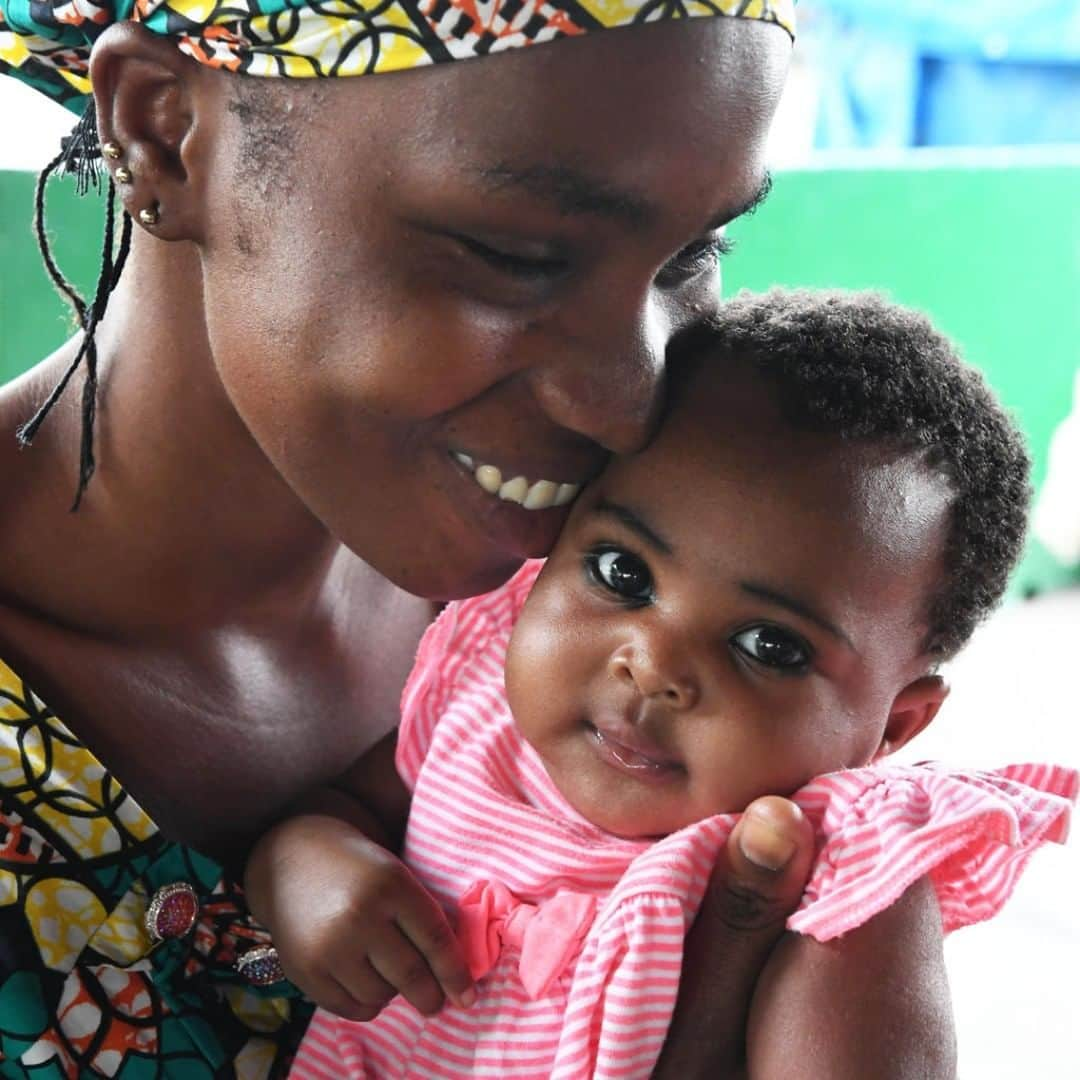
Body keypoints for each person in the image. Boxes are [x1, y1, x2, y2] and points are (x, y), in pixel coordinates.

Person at [0, 2, 842, 1077]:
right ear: (164, 130)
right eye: (518, 254)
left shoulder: (629, 602)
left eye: (694, 253)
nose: (629, 408)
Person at [247, 290, 1077, 1079]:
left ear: (894, 728)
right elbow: (346, 810)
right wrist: (309, 864)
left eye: (769, 645)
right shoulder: (483, 718)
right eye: (622, 572)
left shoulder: (841, 885)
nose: (654, 664)